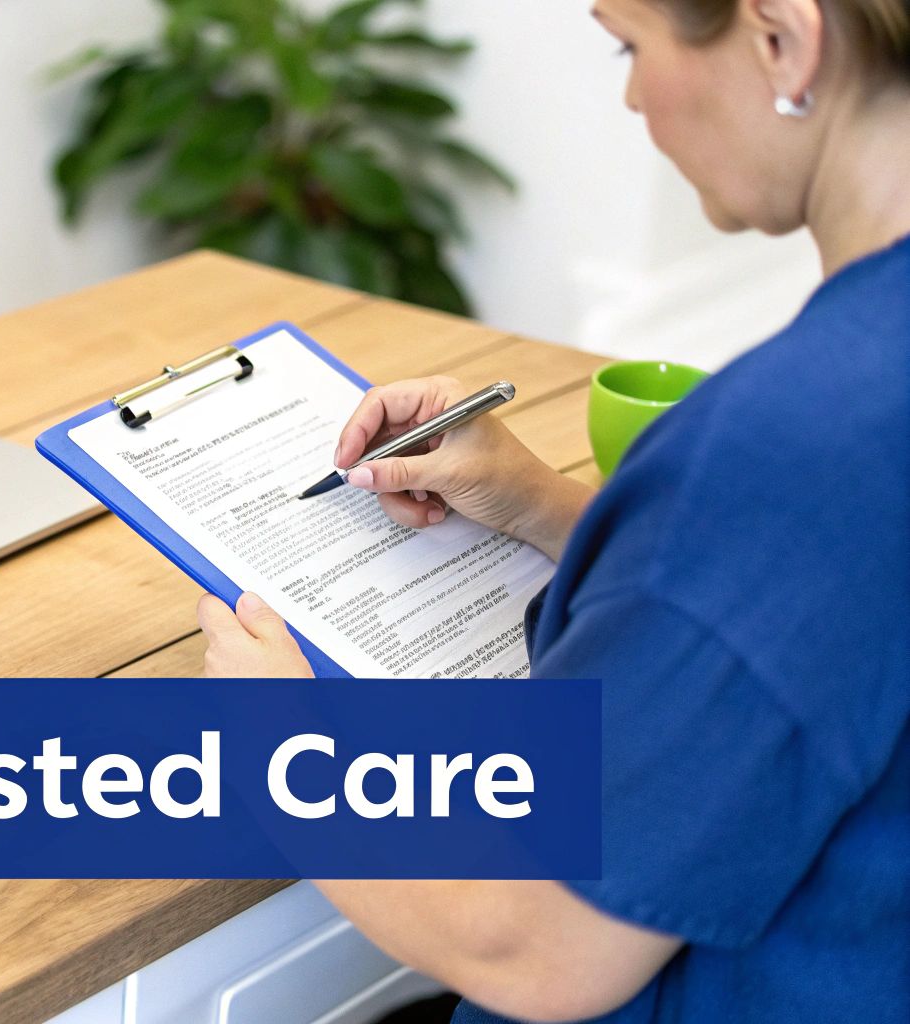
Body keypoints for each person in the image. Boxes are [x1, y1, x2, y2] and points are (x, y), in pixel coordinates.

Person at [195, 0, 910, 1020]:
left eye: (630, 45)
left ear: (782, 40)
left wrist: (278, 743)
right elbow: (818, 617)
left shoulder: (793, 439)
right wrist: (541, 502)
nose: (633, 96)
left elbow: (529, 945)